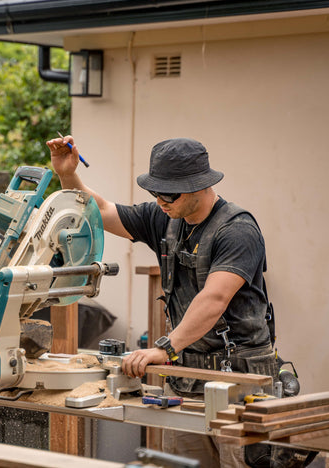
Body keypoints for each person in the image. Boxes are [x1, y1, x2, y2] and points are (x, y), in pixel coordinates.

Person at [47, 136, 277, 467]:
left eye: (168, 193)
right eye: (155, 192)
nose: (160, 200)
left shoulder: (238, 230)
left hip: (240, 384)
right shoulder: (163, 217)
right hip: (185, 382)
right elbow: (101, 211)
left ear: (199, 186)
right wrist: (68, 176)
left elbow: (214, 299)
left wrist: (164, 348)